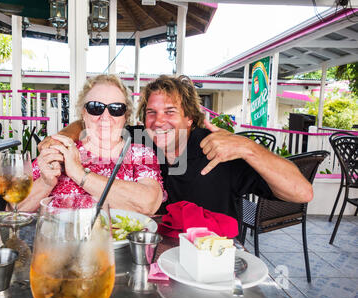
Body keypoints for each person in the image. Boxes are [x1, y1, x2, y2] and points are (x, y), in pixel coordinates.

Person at [38, 75, 313, 220]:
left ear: (189, 119)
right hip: (155, 260)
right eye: (151, 112)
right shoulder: (138, 139)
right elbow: (94, 118)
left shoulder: (217, 149)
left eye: (170, 112)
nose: (159, 122)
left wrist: (249, 148)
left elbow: (302, 193)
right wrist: (62, 136)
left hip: (209, 262)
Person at [18, 74, 164, 215]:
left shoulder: (140, 154)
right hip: (59, 238)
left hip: (117, 240)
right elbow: (14, 208)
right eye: (95, 107)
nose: (105, 117)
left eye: (116, 109)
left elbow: (148, 204)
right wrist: (46, 183)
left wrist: (79, 173)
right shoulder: (60, 149)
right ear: (83, 113)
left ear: (125, 116)